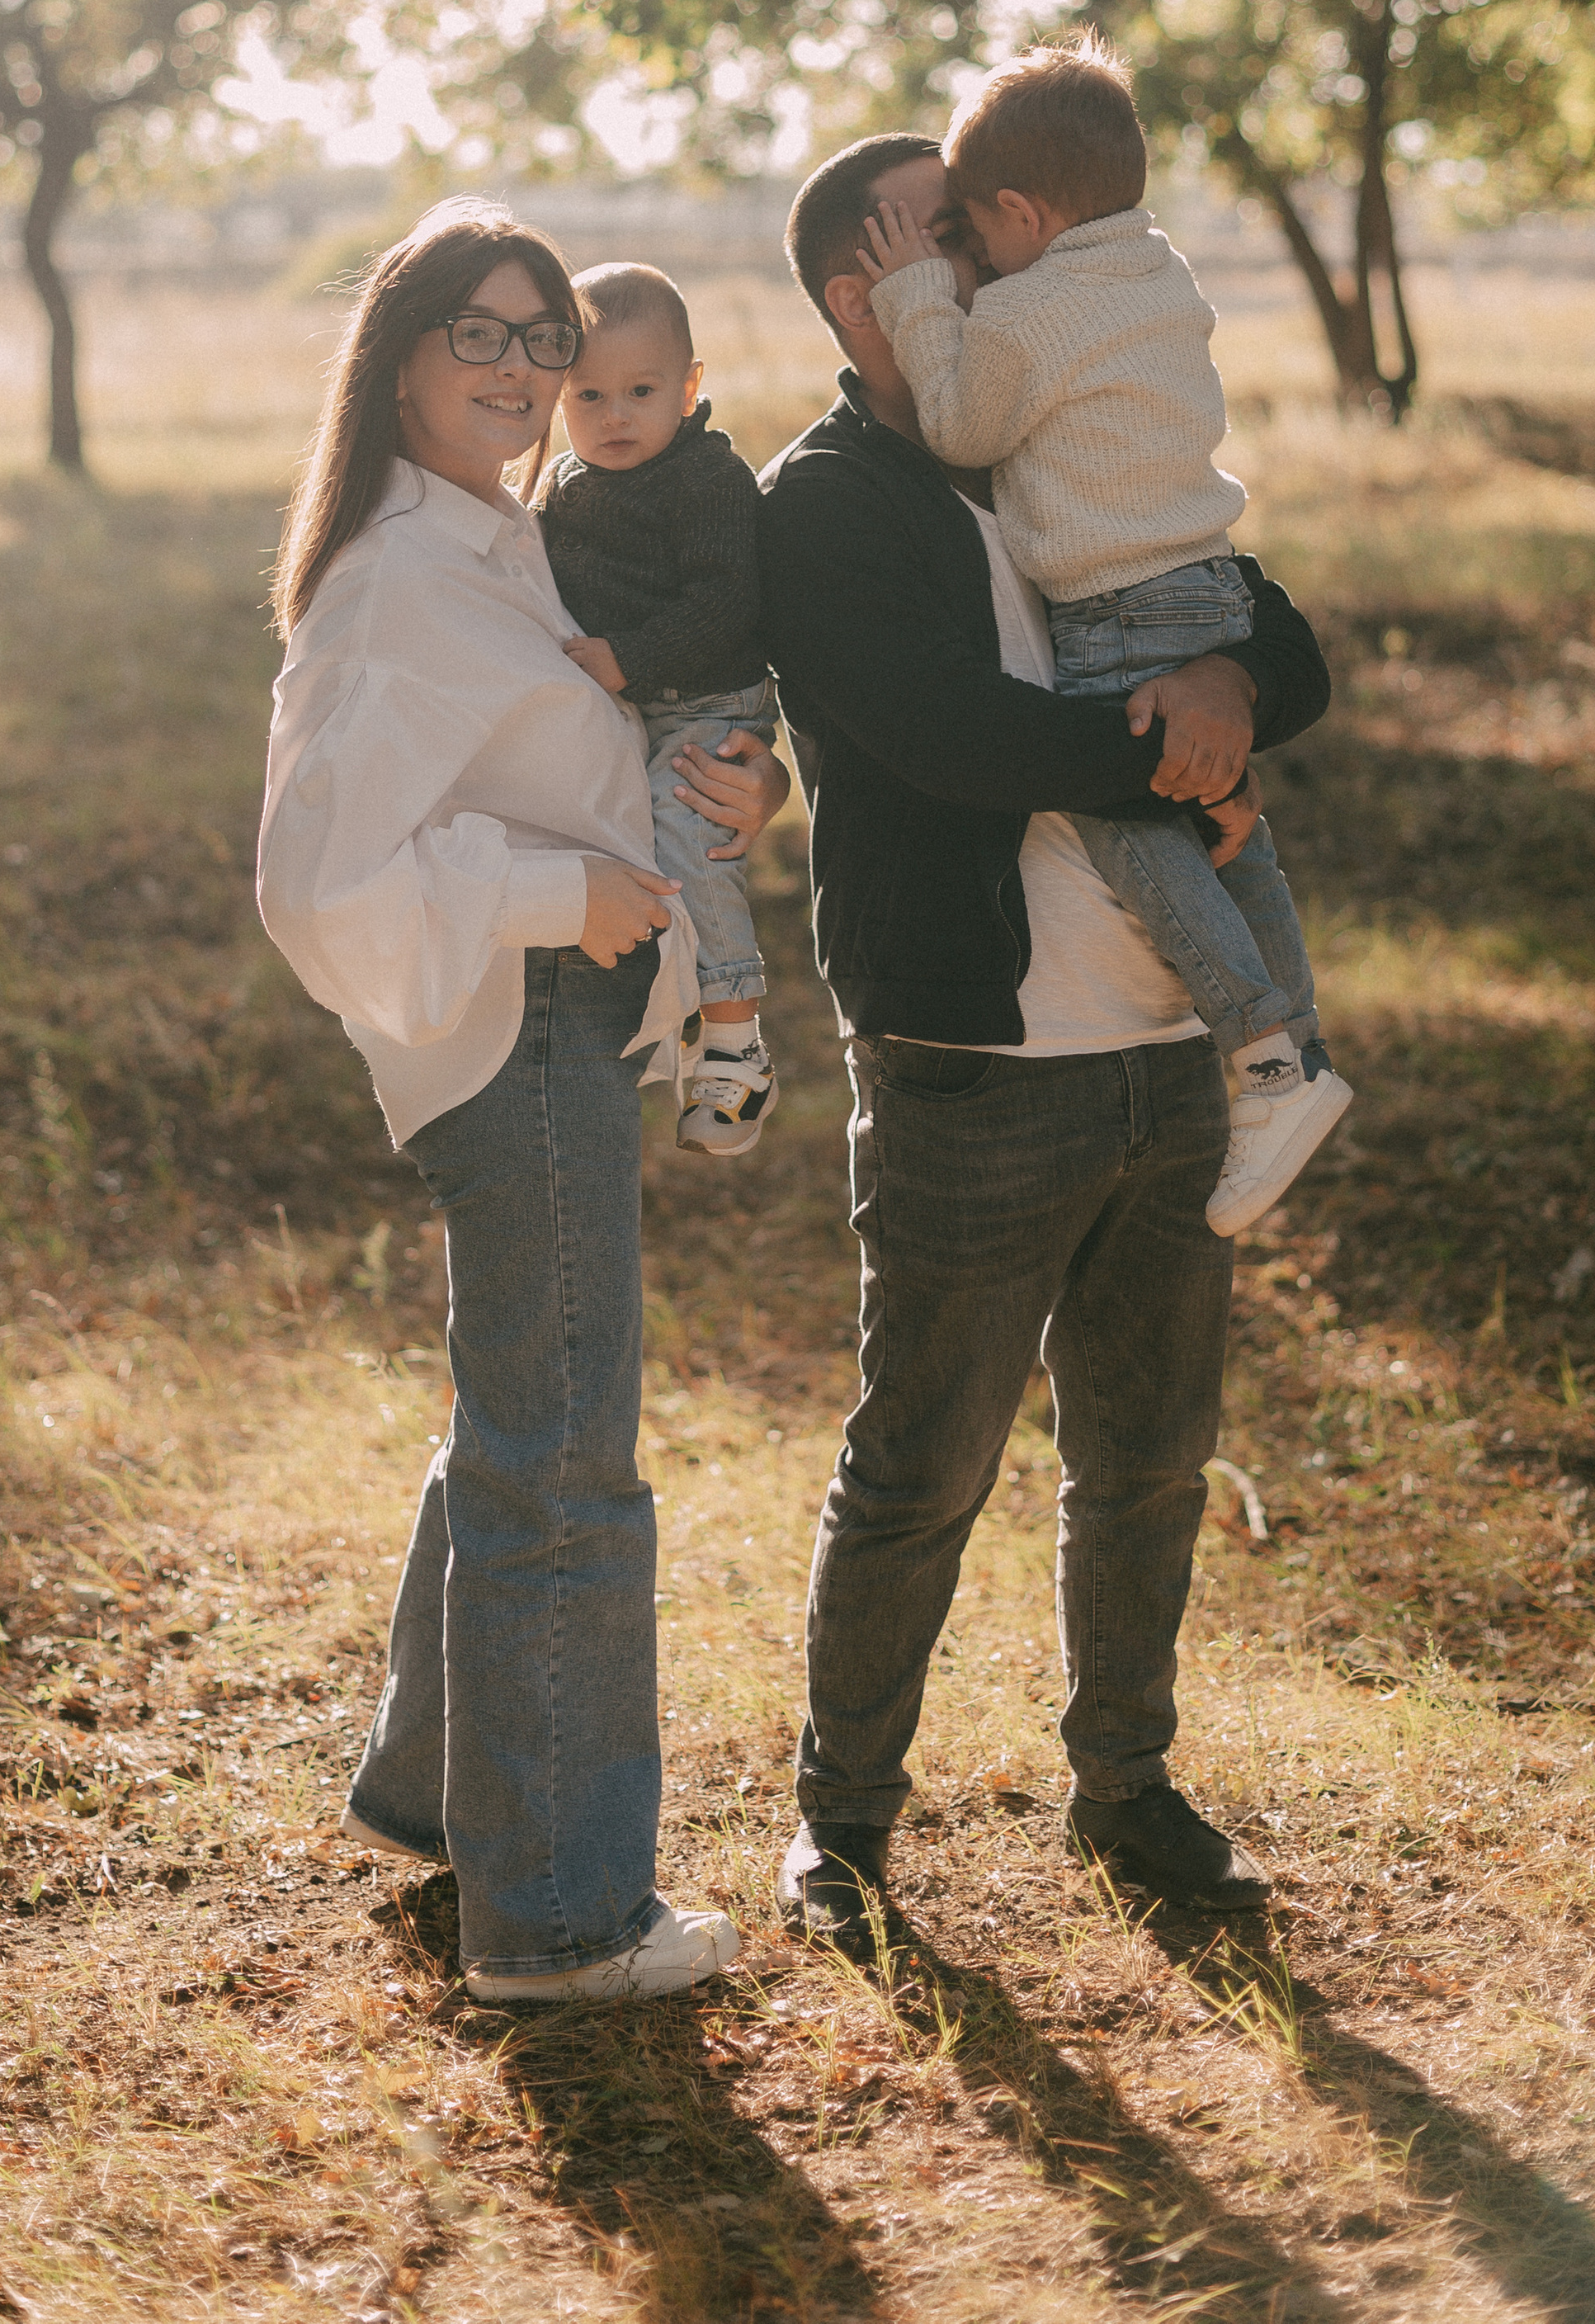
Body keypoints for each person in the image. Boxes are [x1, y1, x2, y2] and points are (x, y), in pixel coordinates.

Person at [757, 134, 1332, 1939]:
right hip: (969, 1059)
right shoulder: (826, 504)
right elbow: (949, 738)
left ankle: (1127, 1792)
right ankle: (839, 1828)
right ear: (862, 292)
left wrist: (1230, 692)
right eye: (947, 243)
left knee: (1147, 1456)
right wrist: (1173, 752)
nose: (1001, 265)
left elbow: (1272, 626)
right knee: (921, 1466)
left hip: (1169, 1047)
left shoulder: (1063, 412)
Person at [255, 200, 786, 2004]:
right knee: (564, 1462)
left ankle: (435, 1796)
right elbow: (317, 883)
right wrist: (557, 898)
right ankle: (557, 1920)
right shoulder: (400, 576)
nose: (518, 369)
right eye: (475, 334)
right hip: (509, 1030)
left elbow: (583, 741)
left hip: (559, 1019)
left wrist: (724, 784)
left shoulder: (498, 539)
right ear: (395, 353)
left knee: (522, 1411)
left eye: (540, 336)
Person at [858, 30, 1351, 1236]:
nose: (964, 258)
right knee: (1231, 820)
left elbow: (968, 424)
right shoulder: (1156, 269)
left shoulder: (1036, 308)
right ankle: (1303, 1040)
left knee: (1132, 817)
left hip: (1124, 605)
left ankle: (1267, 1057)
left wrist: (918, 296)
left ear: (1020, 213)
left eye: (968, 231)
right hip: (1202, 581)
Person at [537, 262, 781, 1155]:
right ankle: (678, 1006)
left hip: (707, 700)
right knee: (627, 851)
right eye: (589, 395)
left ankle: (735, 1042)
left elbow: (725, 602)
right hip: (636, 702)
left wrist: (625, 659)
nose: (615, 415)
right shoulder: (564, 484)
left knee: (689, 838)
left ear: (690, 386)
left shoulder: (707, 480)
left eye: (641, 391)